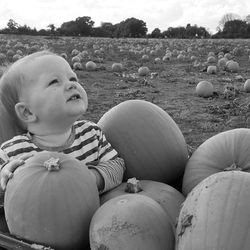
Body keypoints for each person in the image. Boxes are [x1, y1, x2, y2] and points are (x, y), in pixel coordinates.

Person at [0, 50, 125, 202]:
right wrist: (5, 179)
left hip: (93, 219)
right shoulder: (12, 152)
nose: (72, 84)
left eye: (73, 78)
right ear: (27, 112)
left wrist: (93, 178)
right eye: (54, 81)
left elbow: (117, 166)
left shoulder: (91, 134)